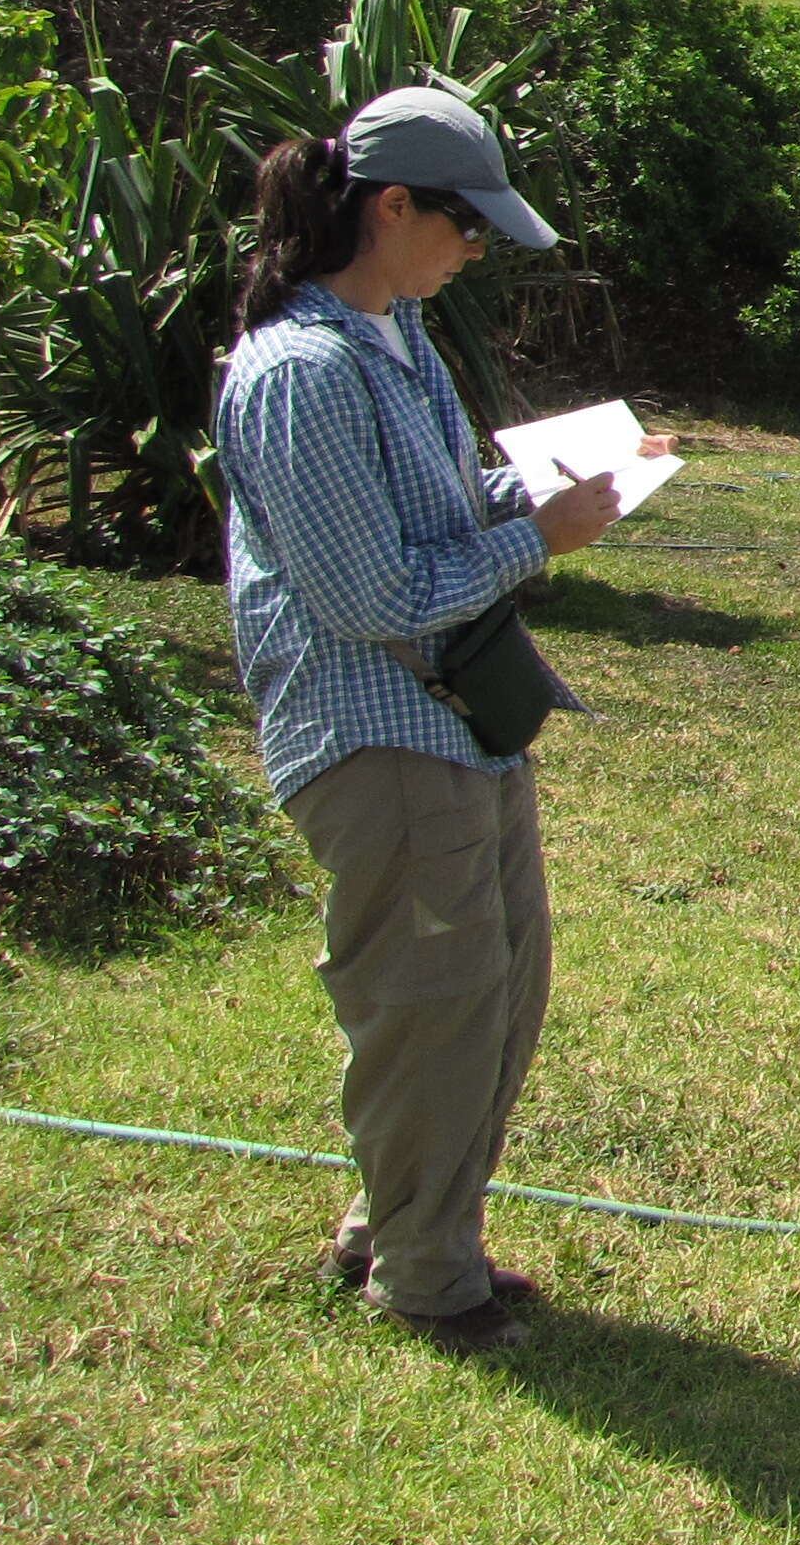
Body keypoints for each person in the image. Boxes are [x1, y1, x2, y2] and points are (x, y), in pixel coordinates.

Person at [215, 84, 665, 1353]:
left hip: (462, 717)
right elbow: (370, 596)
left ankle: (415, 1229)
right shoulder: (301, 370)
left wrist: (566, 477)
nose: (474, 253)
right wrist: (538, 539)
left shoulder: (397, 341)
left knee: (497, 989)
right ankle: (425, 1277)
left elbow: (441, 494)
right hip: (379, 729)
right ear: (391, 207)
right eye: (465, 227)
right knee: (430, 998)